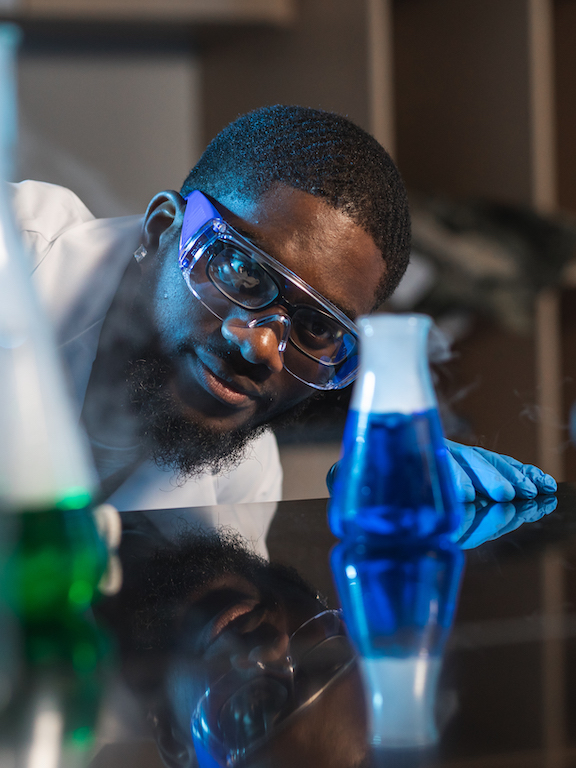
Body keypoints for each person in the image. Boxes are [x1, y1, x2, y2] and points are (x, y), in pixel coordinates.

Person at [13, 104, 556, 520]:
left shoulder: (242, 478)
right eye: (245, 275)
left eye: (318, 326)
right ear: (161, 231)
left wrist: (379, 540)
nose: (262, 347)